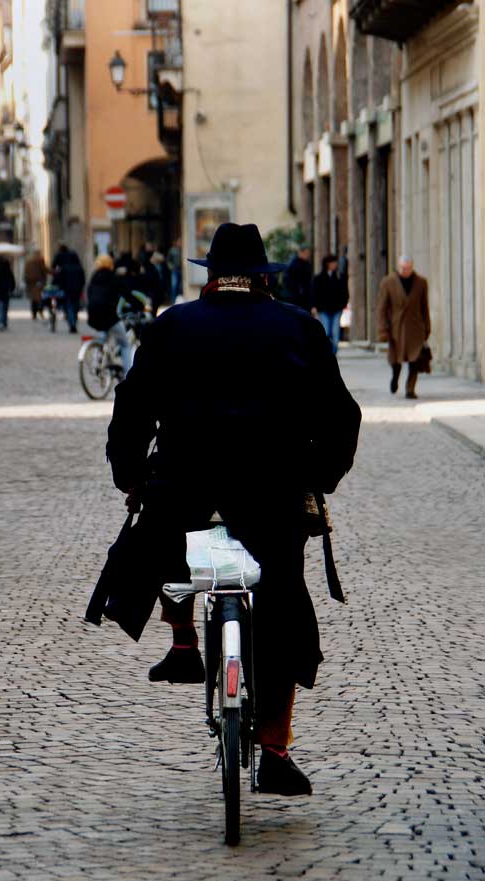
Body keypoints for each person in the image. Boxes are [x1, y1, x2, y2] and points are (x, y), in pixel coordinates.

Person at [91, 223, 361, 797]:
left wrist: (131, 477)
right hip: (273, 496)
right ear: (264, 278)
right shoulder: (299, 328)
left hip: (183, 492)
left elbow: (131, 409)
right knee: (285, 604)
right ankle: (277, 749)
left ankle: (183, 643)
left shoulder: (173, 327)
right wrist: (320, 478)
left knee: (158, 547)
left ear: (209, 276)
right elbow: (342, 418)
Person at [377, 256, 431, 400]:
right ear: (398, 266)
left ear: (412, 267)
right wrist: (383, 329)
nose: (405, 271)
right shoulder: (388, 282)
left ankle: (410, 389)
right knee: (396, 360)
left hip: (415, 328)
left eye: (407, 268)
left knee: (415, 359)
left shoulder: (421, 282)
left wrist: (427, 328)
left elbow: (424, 306)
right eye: (402, 268)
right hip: (396, 328)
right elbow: (382, 308)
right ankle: (395, 378)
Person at [86, 254, 145, 375]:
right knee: (124, 343)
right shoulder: (113, 278)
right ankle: (128, 376)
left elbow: (90, 293)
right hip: (108, 316)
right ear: (110, 264)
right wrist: (140, 305)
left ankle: (98, 361)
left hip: (93, 315)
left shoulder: (94, 277)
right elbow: (126, 294)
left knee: (103, 336)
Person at [311, 254, 349, 355]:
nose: (335, 264)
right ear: (328, 264)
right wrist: (314, 306)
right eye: (333, 262)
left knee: (335, 332)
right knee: (326, 331)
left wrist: (343, 304)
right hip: (323, 309)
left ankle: (333, 353)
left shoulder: (339, 277)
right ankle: (327, 353)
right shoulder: (319, 278)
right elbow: (314, 292)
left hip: (336, 309)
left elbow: (344, 292)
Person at [57, 250, 86, 333]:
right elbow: (83, 280)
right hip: (77, 291)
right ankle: (74, 322)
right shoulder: (79, 268)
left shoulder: (64, 268)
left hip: (67, 291)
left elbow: (60, 280)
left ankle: (72, 324)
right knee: (75, 308)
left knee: (69, 307)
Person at [0, 256, 16, 331]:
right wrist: (12, 289)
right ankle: (4, 323)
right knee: (5, 309)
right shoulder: (9, 271)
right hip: (5, 292)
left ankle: (1, 322)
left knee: (0, 309)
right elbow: (13, 282)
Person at [285, 244, 313, 312]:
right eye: (306, 253)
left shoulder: (307, 264)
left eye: (309, 253)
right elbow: (287, 280)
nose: (308, 255)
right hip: (295, 297)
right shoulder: (293, 264)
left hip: (305, 297)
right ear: (300, 252)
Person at [24, 247, 49, 320]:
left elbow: (25, 272)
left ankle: (34, 314)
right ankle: (40, 312)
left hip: (30, 282)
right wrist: (54, 272)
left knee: (33, 299)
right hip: (39, 281)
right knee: (39, 298)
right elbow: (44, 269)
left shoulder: (28, 261)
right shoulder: (40, 259)